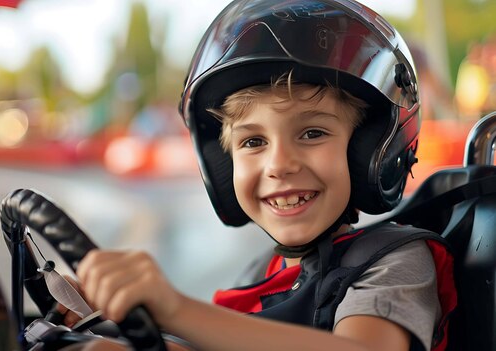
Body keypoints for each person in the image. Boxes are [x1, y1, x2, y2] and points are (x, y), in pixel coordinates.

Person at [61, 1, 456, 350]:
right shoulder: (262, 273)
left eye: (312, 133)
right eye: (252, 142)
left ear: (372, 152)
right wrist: (116, 318)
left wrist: (175, 308)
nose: (279, 164)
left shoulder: (394, 262)